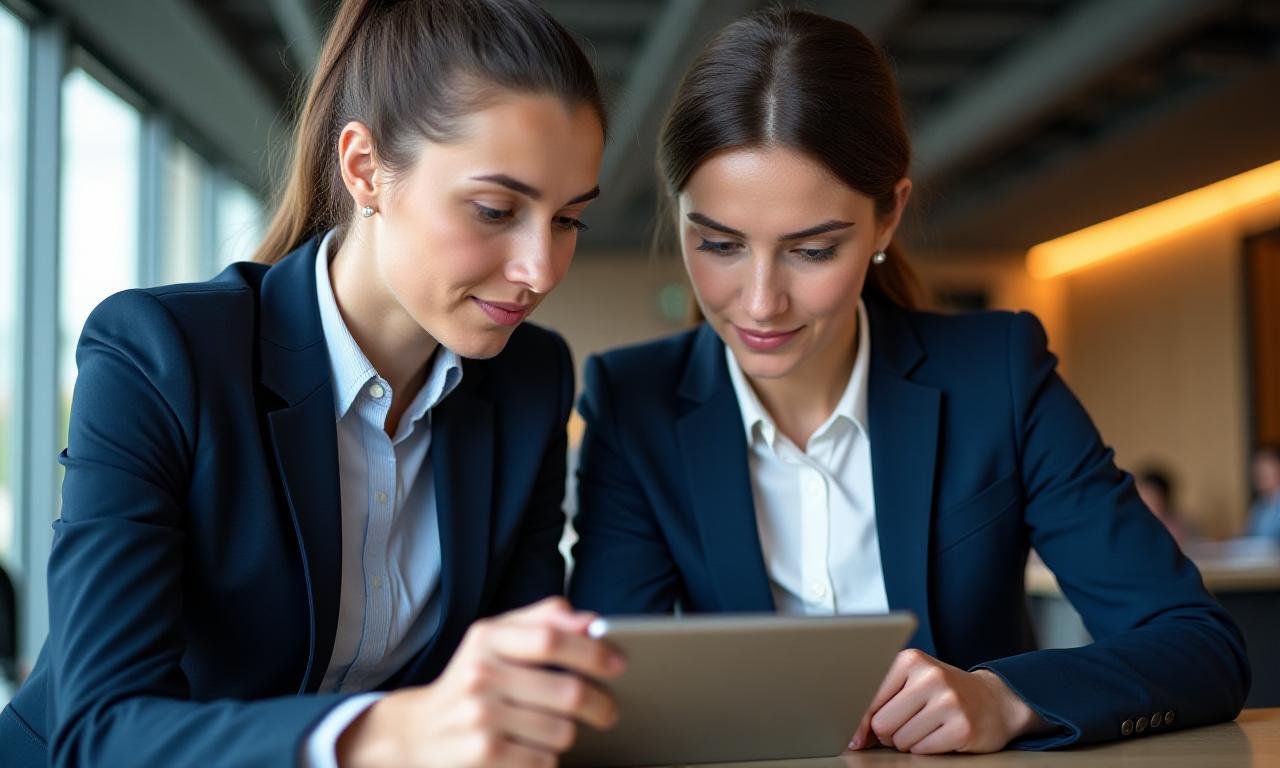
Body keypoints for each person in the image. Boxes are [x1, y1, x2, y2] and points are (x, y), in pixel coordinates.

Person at [569, 8, 1249, 755]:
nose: (760, 301)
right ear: (680, 215)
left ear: (887, 216)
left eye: (812, 250)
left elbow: (1199, 647)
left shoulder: (998, 375)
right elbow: (607, 690)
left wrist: (1004, 697)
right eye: (720, 244)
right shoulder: (633, 405)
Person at [0, 2, 624, 766]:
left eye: (568, 221)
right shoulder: (162, 357)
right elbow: (102, 730)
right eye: (496, 209)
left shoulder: (529, 381)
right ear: (364, 168)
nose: (540, 269)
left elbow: (522, 681)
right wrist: (383, 734)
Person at [1135, 465, 1190, 545]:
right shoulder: (1135, 524)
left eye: (1151, 499)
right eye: (1141, 497)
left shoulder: (1175, 528)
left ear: (1164, 500)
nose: (1144, 504)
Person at [1247, 444, 1280, 538]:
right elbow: (1248, 538)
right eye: (1257, 470)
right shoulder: (1258, 506)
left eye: (1265, 470)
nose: (1260, 475)